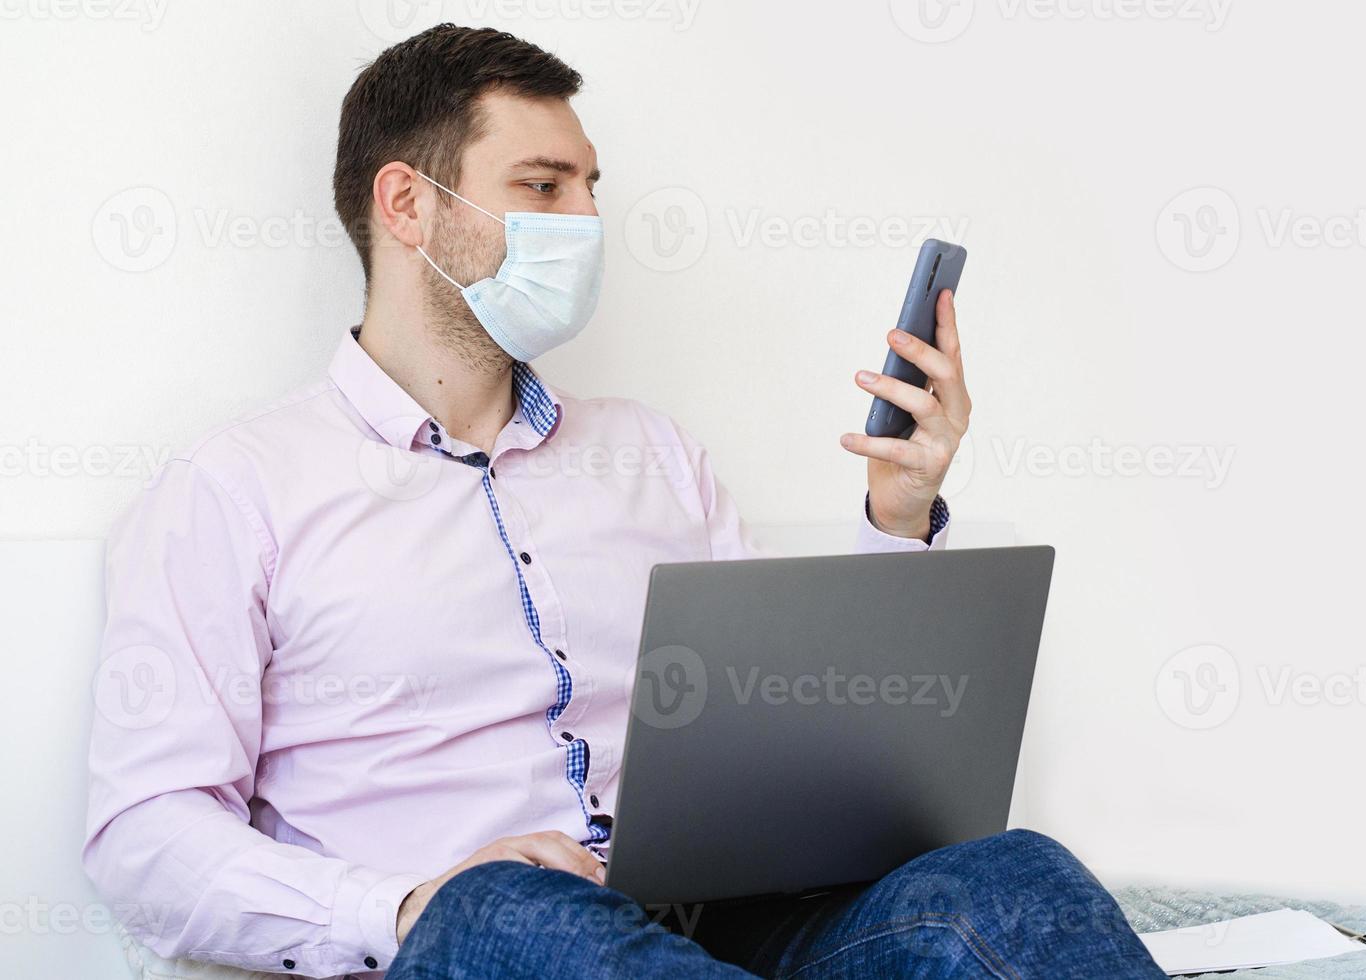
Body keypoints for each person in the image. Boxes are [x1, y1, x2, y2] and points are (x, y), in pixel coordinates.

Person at [83, 23, 1160, 979]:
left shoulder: (653, 456)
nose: (588, 219)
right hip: (469, 938)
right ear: (406, 203)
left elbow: (804, 738)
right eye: (544, 187)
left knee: (1006, 875)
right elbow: (145, 832)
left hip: (719, 925)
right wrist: (404, 903)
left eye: (592, 186)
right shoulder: (234, 490)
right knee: (509, 910)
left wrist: (896, 515)